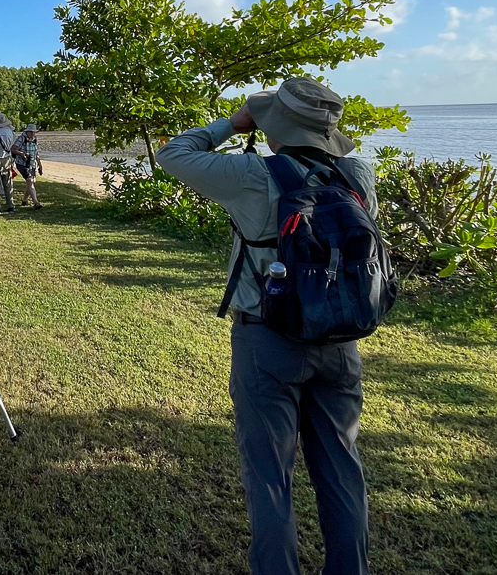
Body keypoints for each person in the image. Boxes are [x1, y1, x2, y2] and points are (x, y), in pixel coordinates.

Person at [156, 78, 377, 575]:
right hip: (341, 340)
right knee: (343, 468)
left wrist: (234, 124)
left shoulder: (254, 174)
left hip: (267, 338)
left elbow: (174, 153)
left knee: (270, 476)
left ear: (273, 125)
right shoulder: (358, 173)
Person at [11, 124, 43, 210]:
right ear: (27, 132)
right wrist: (21, 154)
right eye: (31, 132)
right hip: (22, 163)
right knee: (30, 181)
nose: (33, 133)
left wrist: (40, 165)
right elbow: (13, 149)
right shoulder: (21, 139)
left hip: (32, 164)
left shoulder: (35, 140)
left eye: (34, 132)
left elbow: (36, 154)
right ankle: (36, 203)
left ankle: (24, 200)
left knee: (32, 182)